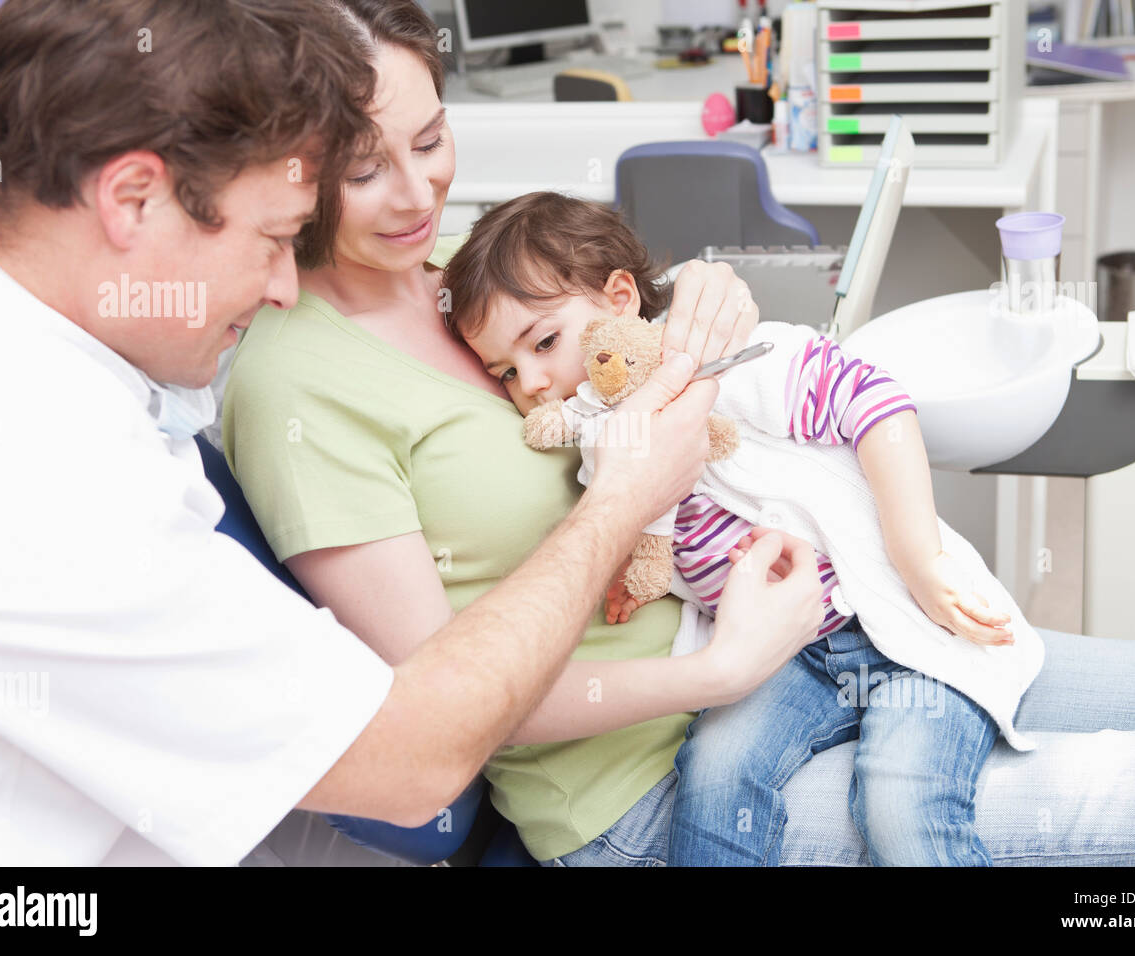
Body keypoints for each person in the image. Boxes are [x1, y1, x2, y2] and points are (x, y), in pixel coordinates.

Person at [222, 0, 1135, 867]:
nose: (415, 193)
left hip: (800, 641)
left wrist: (705, 287)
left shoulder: (454, 267)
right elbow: (431, 724)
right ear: (291, 167)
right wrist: (718, 671)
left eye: (433, 140)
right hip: (650, 778)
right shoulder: (294, 385)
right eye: (363, 168)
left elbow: (621, 323)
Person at [0, 0, 820, 866]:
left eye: (430, 140)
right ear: (131, 199)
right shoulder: (29, 478)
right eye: (276, 235)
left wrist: (700, 308)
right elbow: (409, 760)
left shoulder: (46, 354)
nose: (287, 285)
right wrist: (629, 499)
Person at [442, 189, 1043, 866]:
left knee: (901, 803)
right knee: (716, 774)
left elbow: (876, 400)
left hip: (897, 625)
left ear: (618, 301)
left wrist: (919, 558)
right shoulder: (604, 446)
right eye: (506, 373)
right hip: (785, 662)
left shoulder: (735, 367)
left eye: (544, 343)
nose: (533, 384)